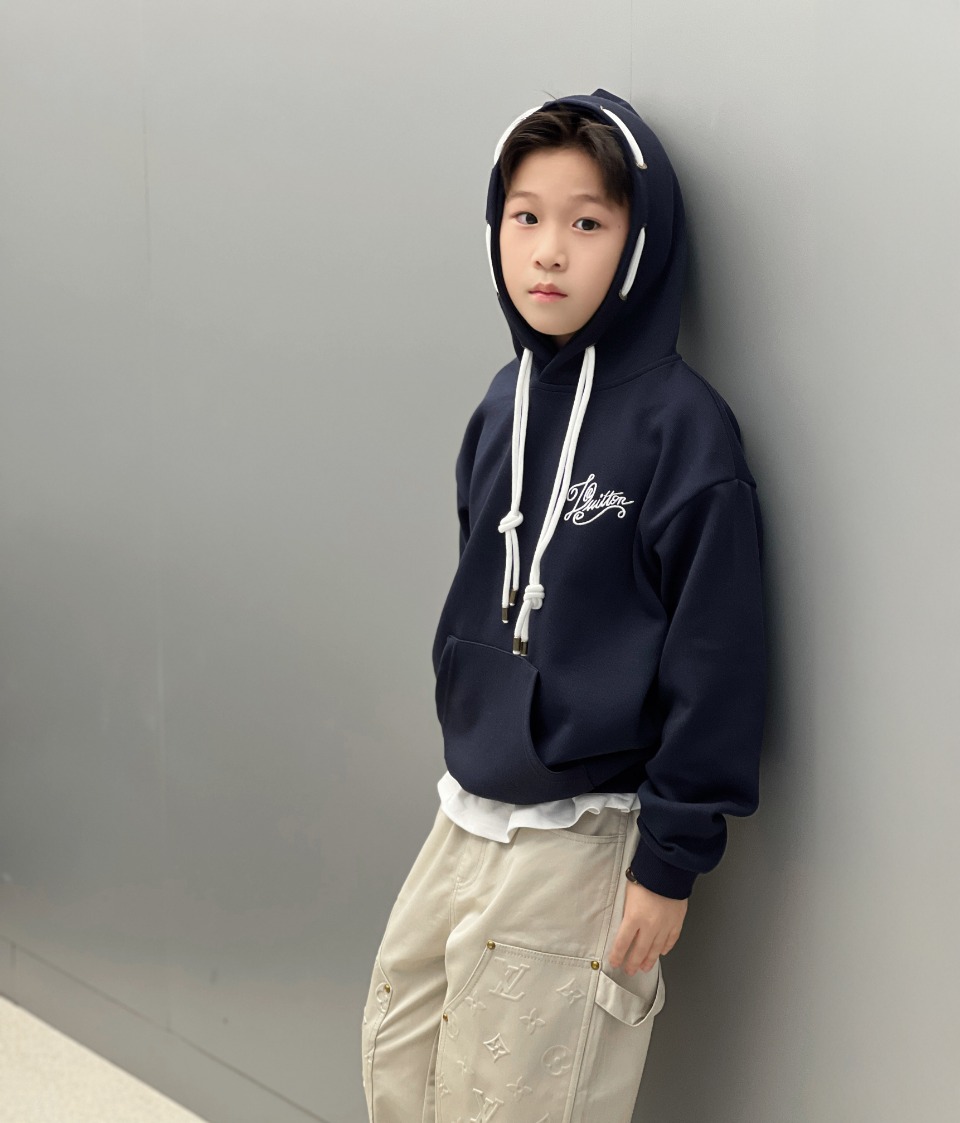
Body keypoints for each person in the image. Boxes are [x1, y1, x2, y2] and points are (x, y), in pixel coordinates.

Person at [360, 88, 766, 1123]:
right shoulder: (503, 402)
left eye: (587, 223)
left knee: (520, 1102)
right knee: (399, 1072)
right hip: (466, 808)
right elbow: (483, 580)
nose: (548, 251)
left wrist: (669, 861)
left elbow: (717, 658)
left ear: (639, 243)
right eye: (525, 216)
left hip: (585, 833)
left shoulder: (685, 431)